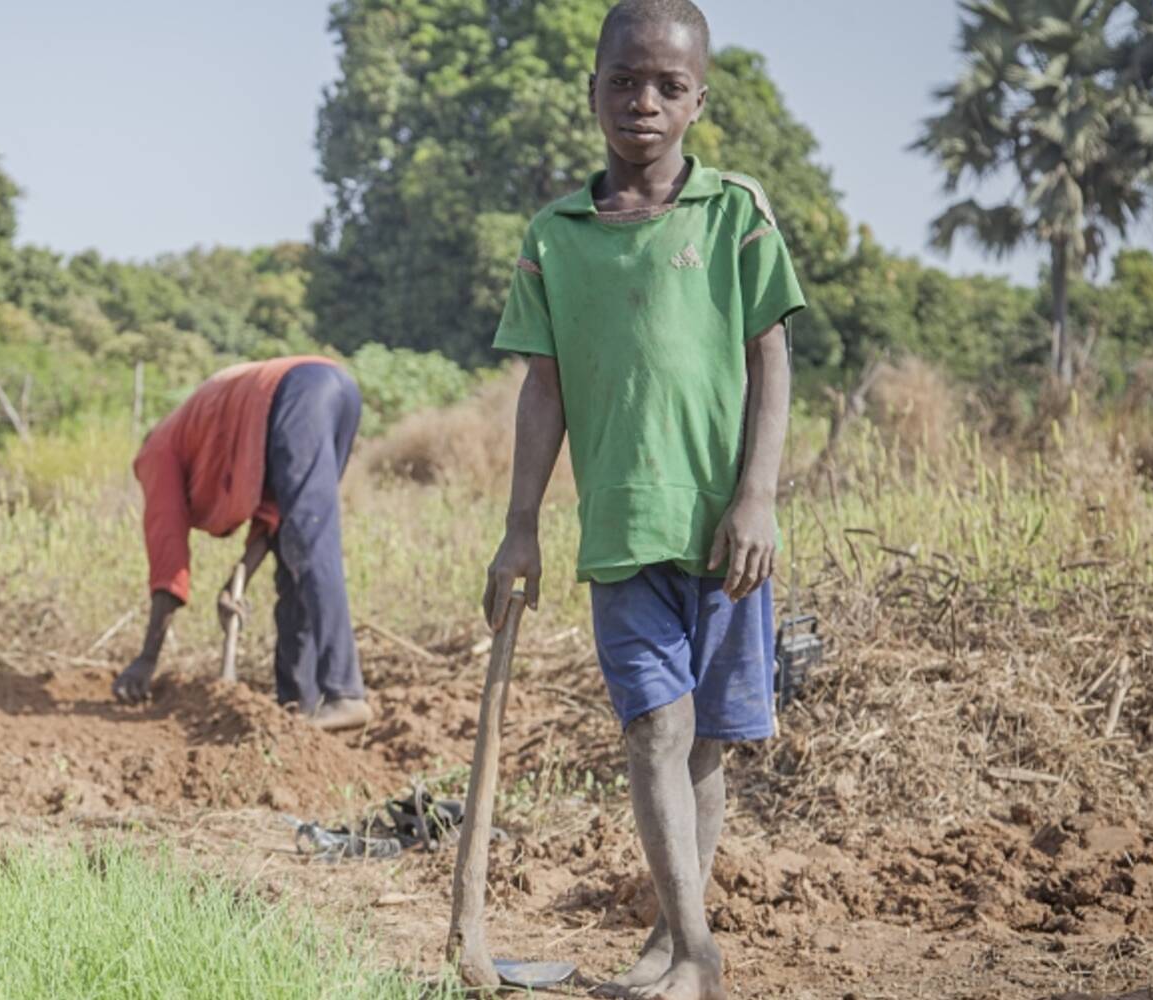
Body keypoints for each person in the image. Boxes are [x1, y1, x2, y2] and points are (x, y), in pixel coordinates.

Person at [481, 2, 802, 997]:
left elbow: (771, 360)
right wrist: (520, 527)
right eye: (624, 81)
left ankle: (673, 943)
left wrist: (757, 496)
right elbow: (543, 390)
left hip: (724, 534)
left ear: (699, 100)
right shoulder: (555, 237)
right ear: (592, 94)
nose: (644, 102)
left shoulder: (735, 217)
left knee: (706, 745)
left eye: (668, 85)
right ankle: (700, 959)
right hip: (621, 529)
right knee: (655, 732)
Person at [113, 356, 373, 732]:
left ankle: (345, 693)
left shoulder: (158, 451)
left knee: (309, 536)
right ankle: (301, 707)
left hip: (299, 393)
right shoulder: (204, 428)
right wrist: (237, 582)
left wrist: (146, 659)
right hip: (336, 390)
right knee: (293, 554)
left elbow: (167, 554)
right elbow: (271, 520)